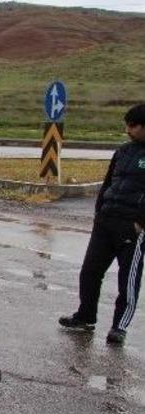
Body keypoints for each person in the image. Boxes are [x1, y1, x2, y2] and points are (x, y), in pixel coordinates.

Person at [59, 103, 145, 346]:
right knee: (90, 271)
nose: (128, 130)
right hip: (106, 221)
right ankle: (85, 316)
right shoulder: (123, 152)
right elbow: (107, 184)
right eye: (126, 125)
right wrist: (99, 212)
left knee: (128, 279)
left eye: (133, 126)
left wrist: (141, 223)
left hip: (133, 227)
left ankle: (120, 326)